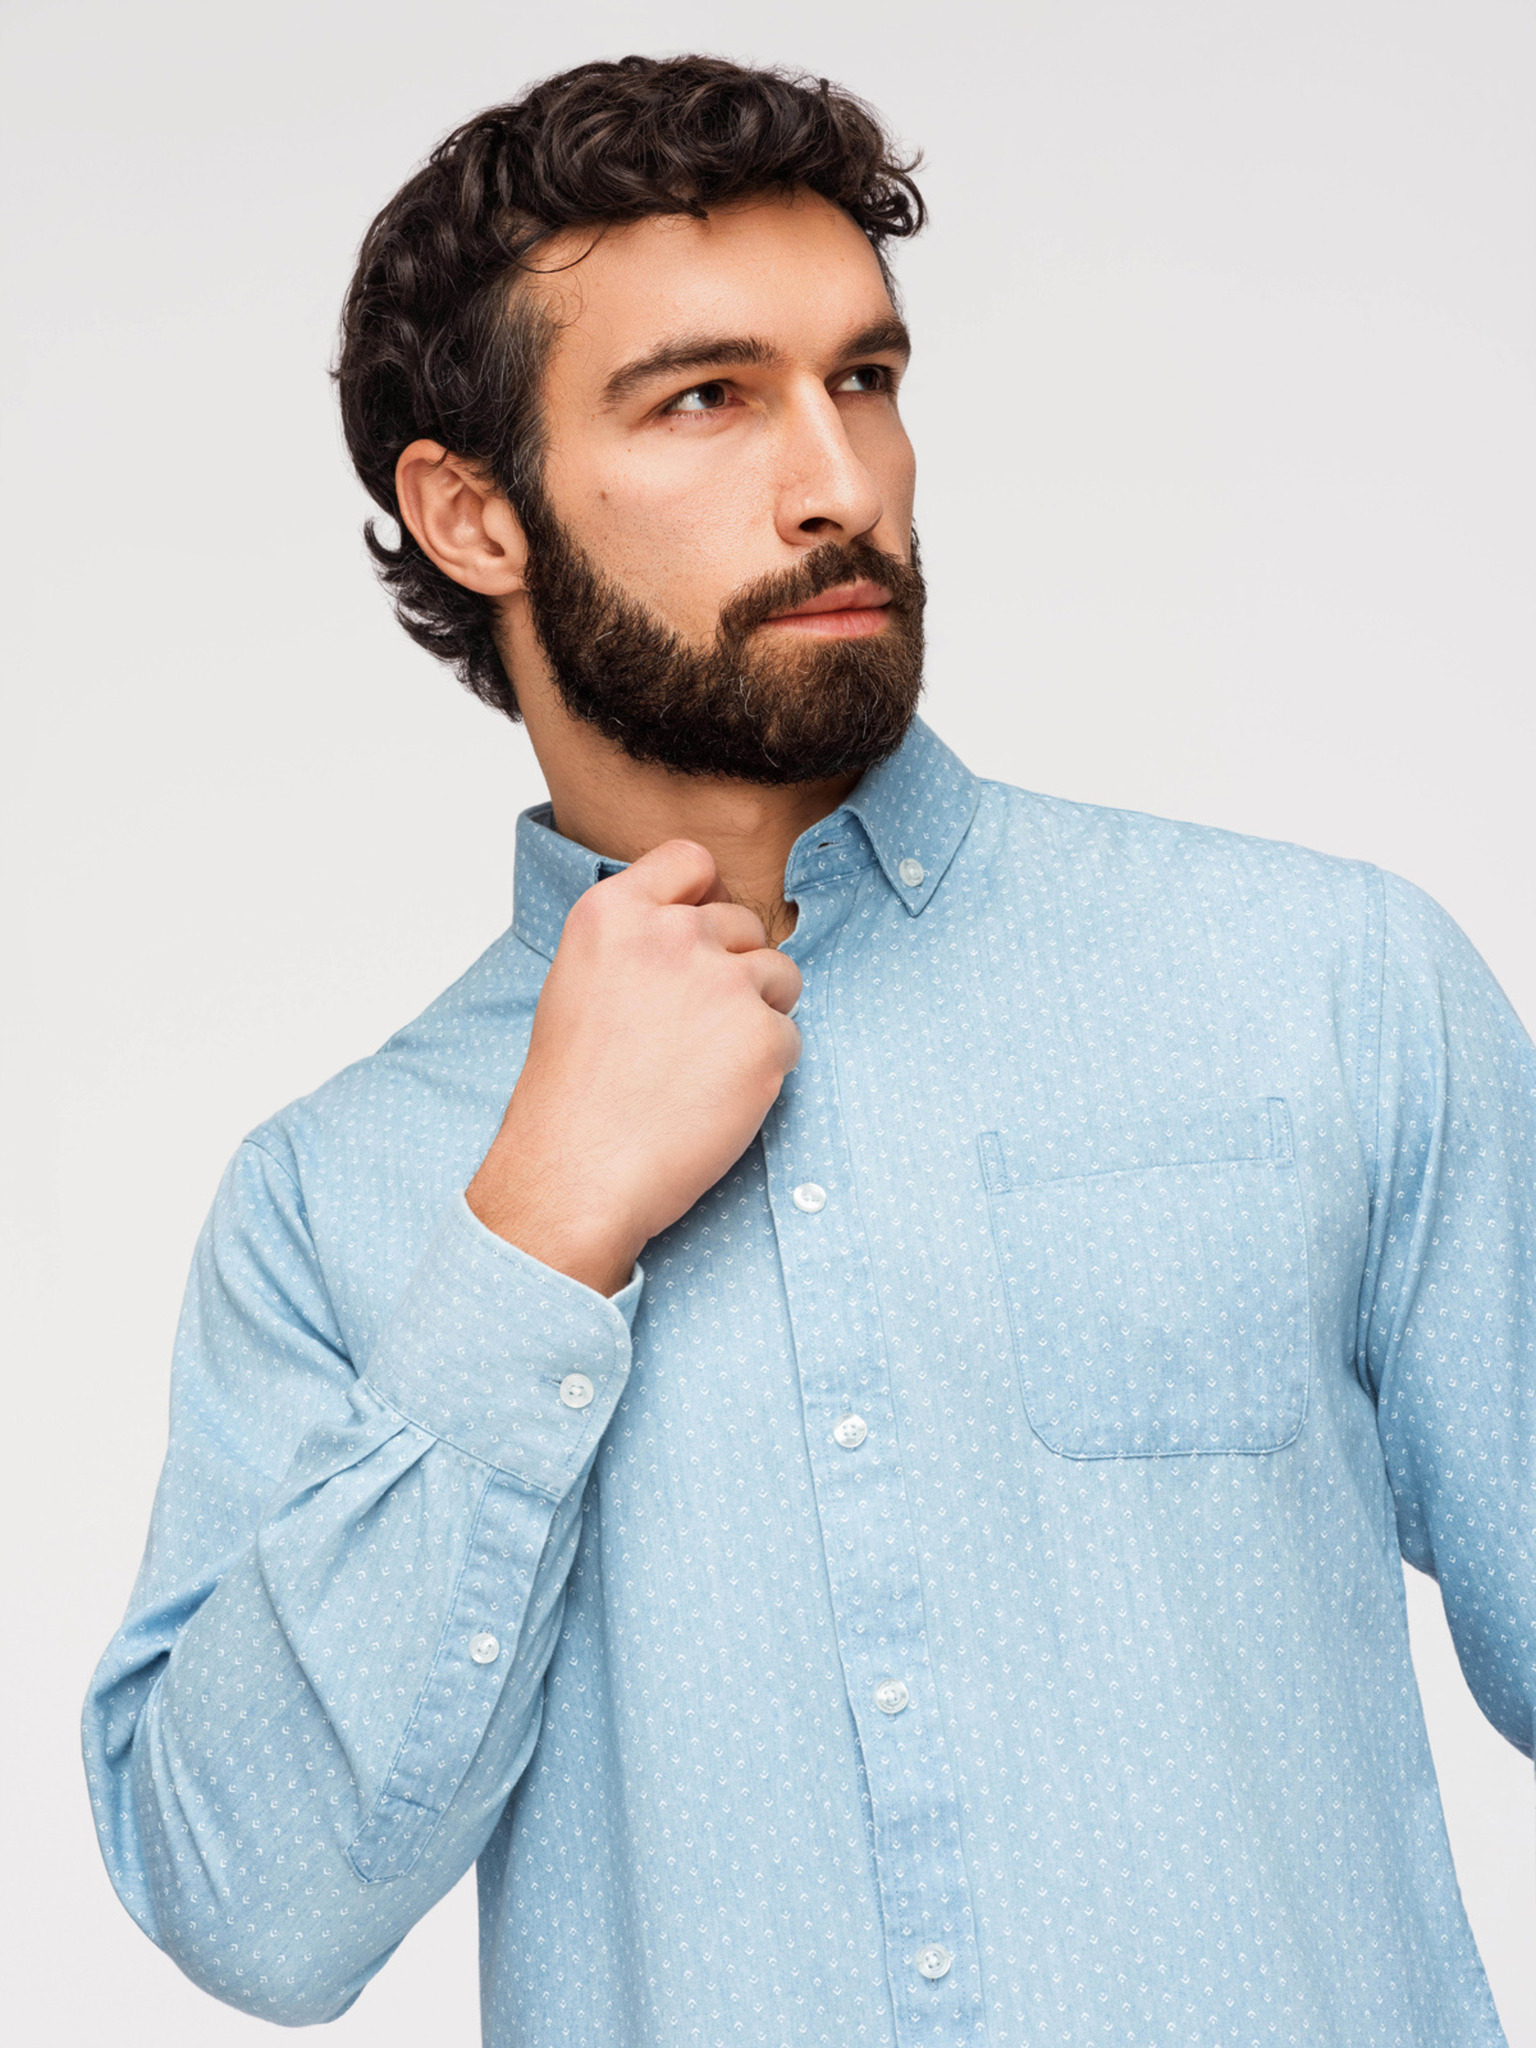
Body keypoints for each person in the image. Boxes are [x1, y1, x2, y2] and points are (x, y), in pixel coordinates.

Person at [83, 53, 1535, 2048]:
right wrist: (537, 1233)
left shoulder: (1329, 988)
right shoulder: (334, 1202)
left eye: (865, 377)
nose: (840, 482)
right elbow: (251, 1913)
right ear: (471, 512)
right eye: (705, 397)